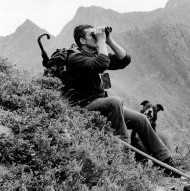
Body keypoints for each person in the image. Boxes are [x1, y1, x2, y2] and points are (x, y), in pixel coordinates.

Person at [62, 24, 179, 177]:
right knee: (115, 101)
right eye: (93, 35)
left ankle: (167, 164)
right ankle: (124, 154)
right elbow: (102, 63)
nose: (97, 36)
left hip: (101, 104)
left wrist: (109, 39)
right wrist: (102, 41)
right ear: (82, 40)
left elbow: (124, 60)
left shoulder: (96, 53)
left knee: (141, 119)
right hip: (83, 106)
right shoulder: (75, 57)